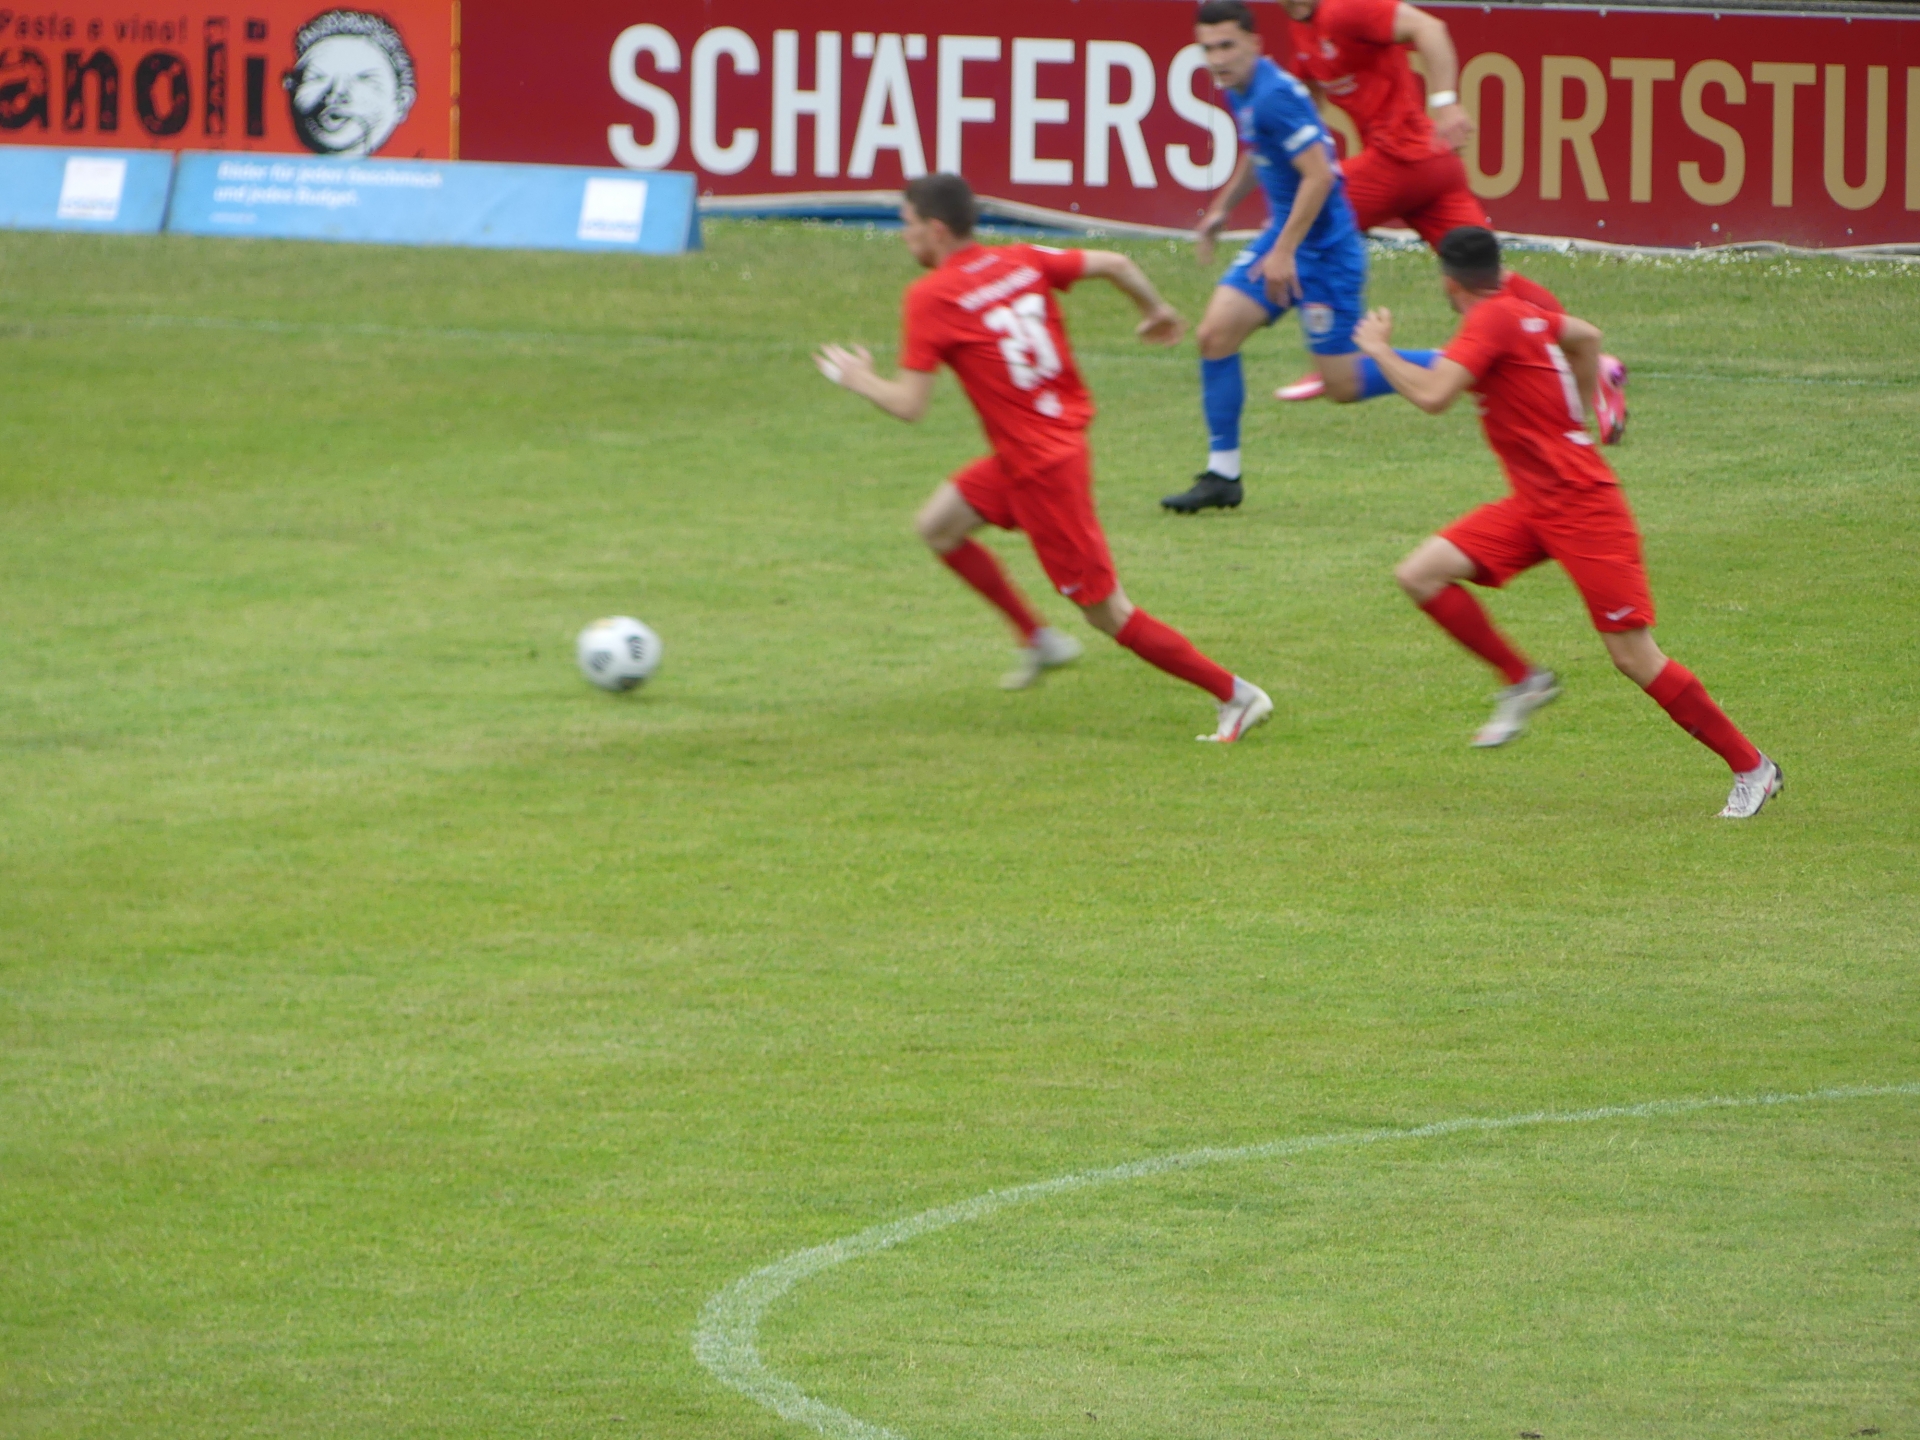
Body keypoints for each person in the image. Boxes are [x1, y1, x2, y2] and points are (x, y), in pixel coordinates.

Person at [813, 173, 1274, 743]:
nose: (903, 235)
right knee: (938, 526)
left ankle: (1235, 695)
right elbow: (1115, 263)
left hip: (1041, 470)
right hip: (1034, 451)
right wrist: (1154, 309)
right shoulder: (1020, 258)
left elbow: (909, 405)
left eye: (907, 224)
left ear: (936, 229)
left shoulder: (932, 296)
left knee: (1109, 613)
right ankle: (1037, 639)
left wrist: (858, 378)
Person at [1356, 227, 1780, 817]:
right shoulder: (1520, 308)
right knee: (1420, 574)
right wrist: (1583, 410)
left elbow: (1433, 396)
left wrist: (1379, 350)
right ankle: (1523, 679)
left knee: (1634, 656)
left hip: (1582, 506)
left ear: (1449, 283)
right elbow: (1586, 336)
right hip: (1535, 503)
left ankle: (1753, 767)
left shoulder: (1489, 319)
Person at [1270, 0, 1628, 442]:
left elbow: (1430, 28)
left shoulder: (1346, 9)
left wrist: (1446, 104)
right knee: (1490, 282)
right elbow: (1307, 97)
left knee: (1311, 221)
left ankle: (1335, 359)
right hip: (1431, 166)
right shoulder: (1301, 29)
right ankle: (1596, 363)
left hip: (1402, 158)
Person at [1165, 0, 1433, 515]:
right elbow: (1260, 151)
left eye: (1227, 46)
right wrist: (1223, 208)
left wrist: (1284, 251)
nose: (1217, 59)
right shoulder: (1244, 89)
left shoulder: (1272, 97)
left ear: (1254, 44)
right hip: (1285, 240)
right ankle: (1223, 475)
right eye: (1208, 49)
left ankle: (1462, 364)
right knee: (1215, 335)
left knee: (1342, 384)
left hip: (1325, 252)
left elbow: (1321, 176)